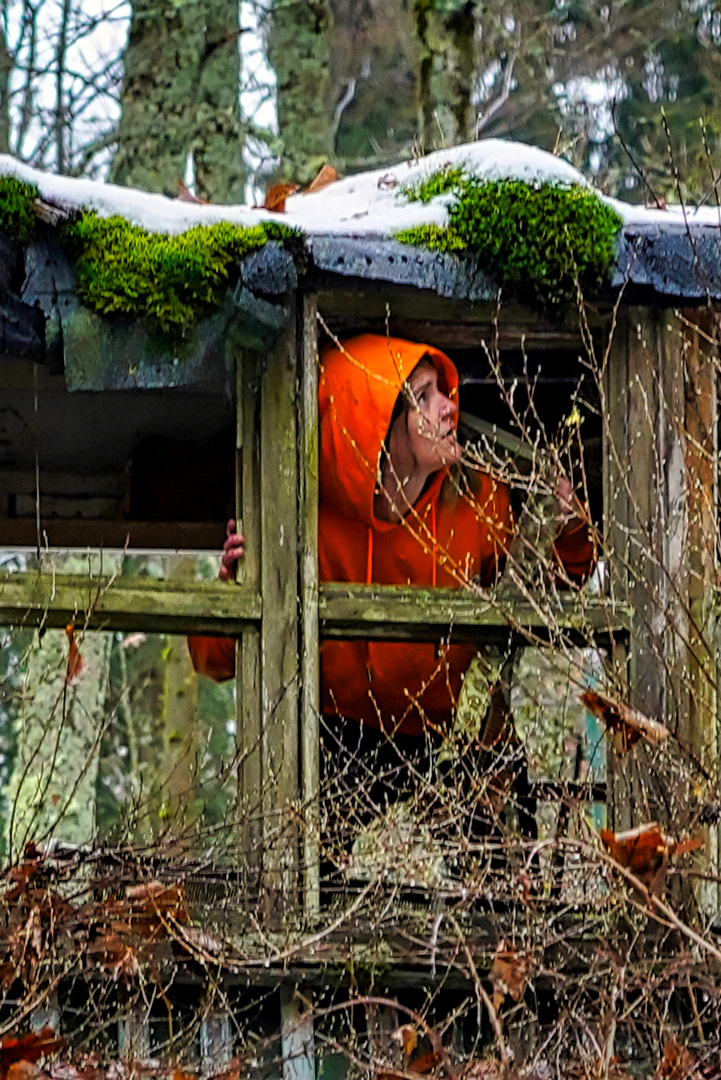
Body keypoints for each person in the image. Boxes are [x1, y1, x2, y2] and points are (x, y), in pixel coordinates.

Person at [188, 334, 594, 871]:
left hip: (457, 728)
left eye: (443, 392)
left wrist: (566, 529)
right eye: (424, 396)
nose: (450, 406)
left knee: (503, 881)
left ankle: (500, 940)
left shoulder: (477, 497)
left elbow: (558, 586)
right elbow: (214, 661)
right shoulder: (300, 522)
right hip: (340, 730)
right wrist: (229, 593)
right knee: (301, 862)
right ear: (373, 421)